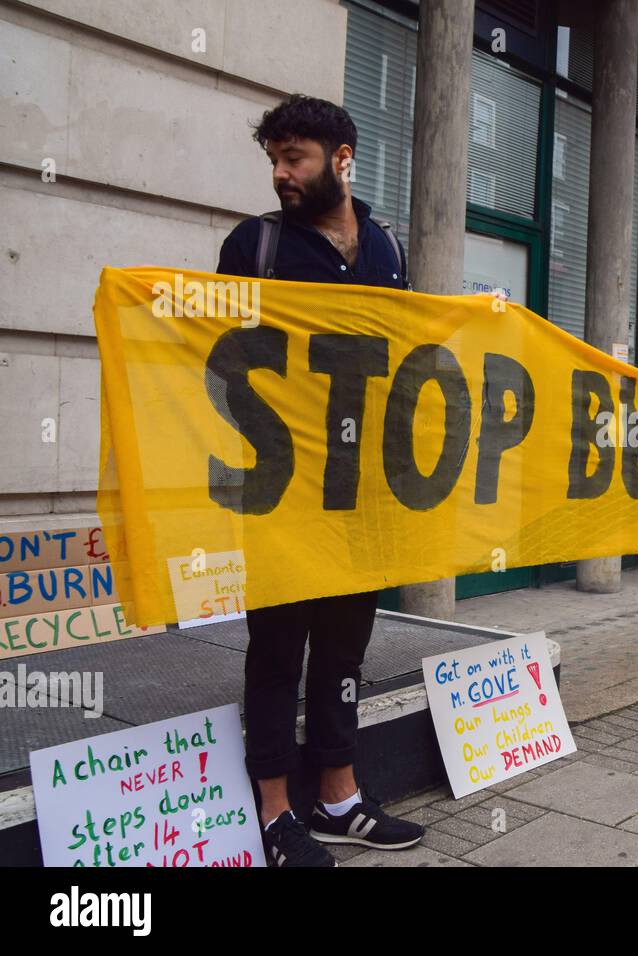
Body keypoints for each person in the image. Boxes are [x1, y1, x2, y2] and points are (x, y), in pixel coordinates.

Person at [215, 95, 424, 866]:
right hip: (280, 490)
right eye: (273, 158)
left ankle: (339, 798)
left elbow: (405, 353)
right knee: (277, 649)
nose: (279, 173)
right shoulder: (256, 245)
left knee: (344, 648)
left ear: (341, 159)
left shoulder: (387, 249)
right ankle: (275, 814)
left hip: (362, 488)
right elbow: (216, 357)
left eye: (293, 157)